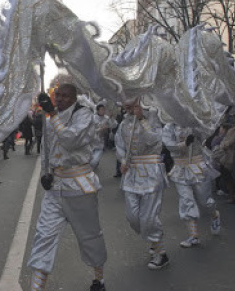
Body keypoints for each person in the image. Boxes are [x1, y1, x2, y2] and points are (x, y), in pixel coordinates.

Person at [11, 83, 108, 291]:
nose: (60, 99)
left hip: (79, 186)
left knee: (89, 236)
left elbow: (70, 140)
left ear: (74, 98)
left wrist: (52, 114)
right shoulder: (49, 116)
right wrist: (46, 171)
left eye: (65, 96)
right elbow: (47, 146)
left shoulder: (83, 114)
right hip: (56, 189)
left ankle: (99, 280)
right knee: (44, 236)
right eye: (57, 96)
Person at [115, 98, 169, 269]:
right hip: (131, 173)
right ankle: (154, 241)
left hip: (151, 171)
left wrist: (142, 120)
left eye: (131, 104)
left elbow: (155, 140)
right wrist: (123, 159)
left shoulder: (153, 115)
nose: (127, 107)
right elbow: (120, 145)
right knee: (133, 217)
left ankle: (161, 252)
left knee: (148, 217)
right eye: (126, 104)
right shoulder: (124, 123)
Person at [162, 123, 221, 248]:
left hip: (198, 167)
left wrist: (198, 128)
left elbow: (208, 132)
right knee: (186, 200)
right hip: (180, 169)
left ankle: (214, 215)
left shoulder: (197, 121)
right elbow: (168, 144)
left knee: (205, 201)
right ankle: (194, 236)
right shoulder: (169, 127)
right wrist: (183, 144)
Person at [90, 103, 117, 171]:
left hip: (100, 142)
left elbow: (114, 125)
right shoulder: (93, 118)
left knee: (95, 160)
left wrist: (111, 118)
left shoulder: (106, 118)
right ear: (97, 110)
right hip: (91, 141)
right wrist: (100, 129)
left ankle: (93, 167)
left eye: (104, 109)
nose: (103, 111)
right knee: (89, 159)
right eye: (102, 109)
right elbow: (90, 131)